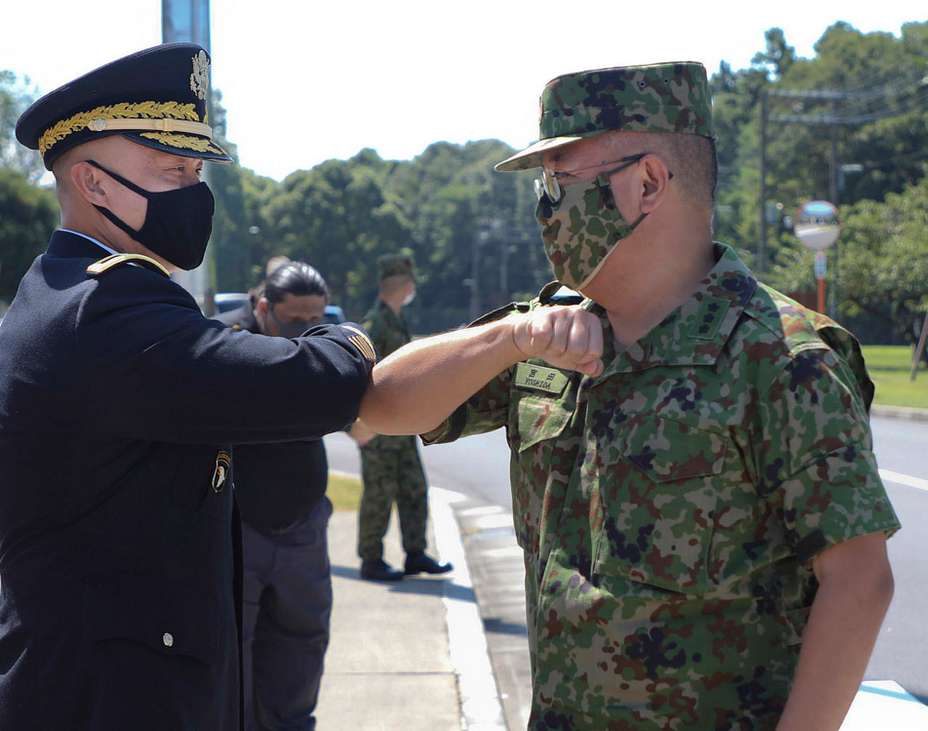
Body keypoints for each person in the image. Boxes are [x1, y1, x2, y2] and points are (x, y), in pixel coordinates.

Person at [359, 62, 900, 730]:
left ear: (647, 183)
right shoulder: (544, 334)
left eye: (562, 181)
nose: (546, 208)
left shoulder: (778, 356)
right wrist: (511, 338)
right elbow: (380, 403)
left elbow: (859, 580)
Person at [0, 44, 375, 731]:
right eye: (172, 169)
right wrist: (352, 340)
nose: (194, 191)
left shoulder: (73, 289)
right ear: (92, 182)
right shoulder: (104, 310)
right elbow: (304, 387)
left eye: (196, 170)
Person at [215, 261, 336, 730]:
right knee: (232, 656)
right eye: (295, 319)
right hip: (237, 532)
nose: (308, 329)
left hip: (303, 527)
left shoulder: (325, 350)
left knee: (303, 645)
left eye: (317, 318)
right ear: (264, 307)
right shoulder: (225, 347)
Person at [352, 254, 452, 581]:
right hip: (379, 426)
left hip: (401, 425)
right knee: (379, 495)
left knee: (413, 489)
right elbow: (356, 377)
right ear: (403, 285)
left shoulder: (397, 320)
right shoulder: (376, 324)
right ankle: (371, 559)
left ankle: (416, 554)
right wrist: (354, 426)